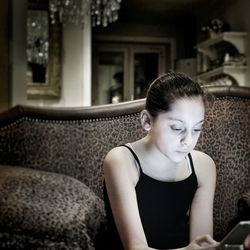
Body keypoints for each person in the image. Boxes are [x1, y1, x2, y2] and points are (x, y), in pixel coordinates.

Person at [103, 72, 218, 250]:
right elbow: (136, 247)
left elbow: (202, 242)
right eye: (177, 128)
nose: (188, 141)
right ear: (147, 121)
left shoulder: (203, 166)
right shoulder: (121, 160)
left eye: (196, 129)